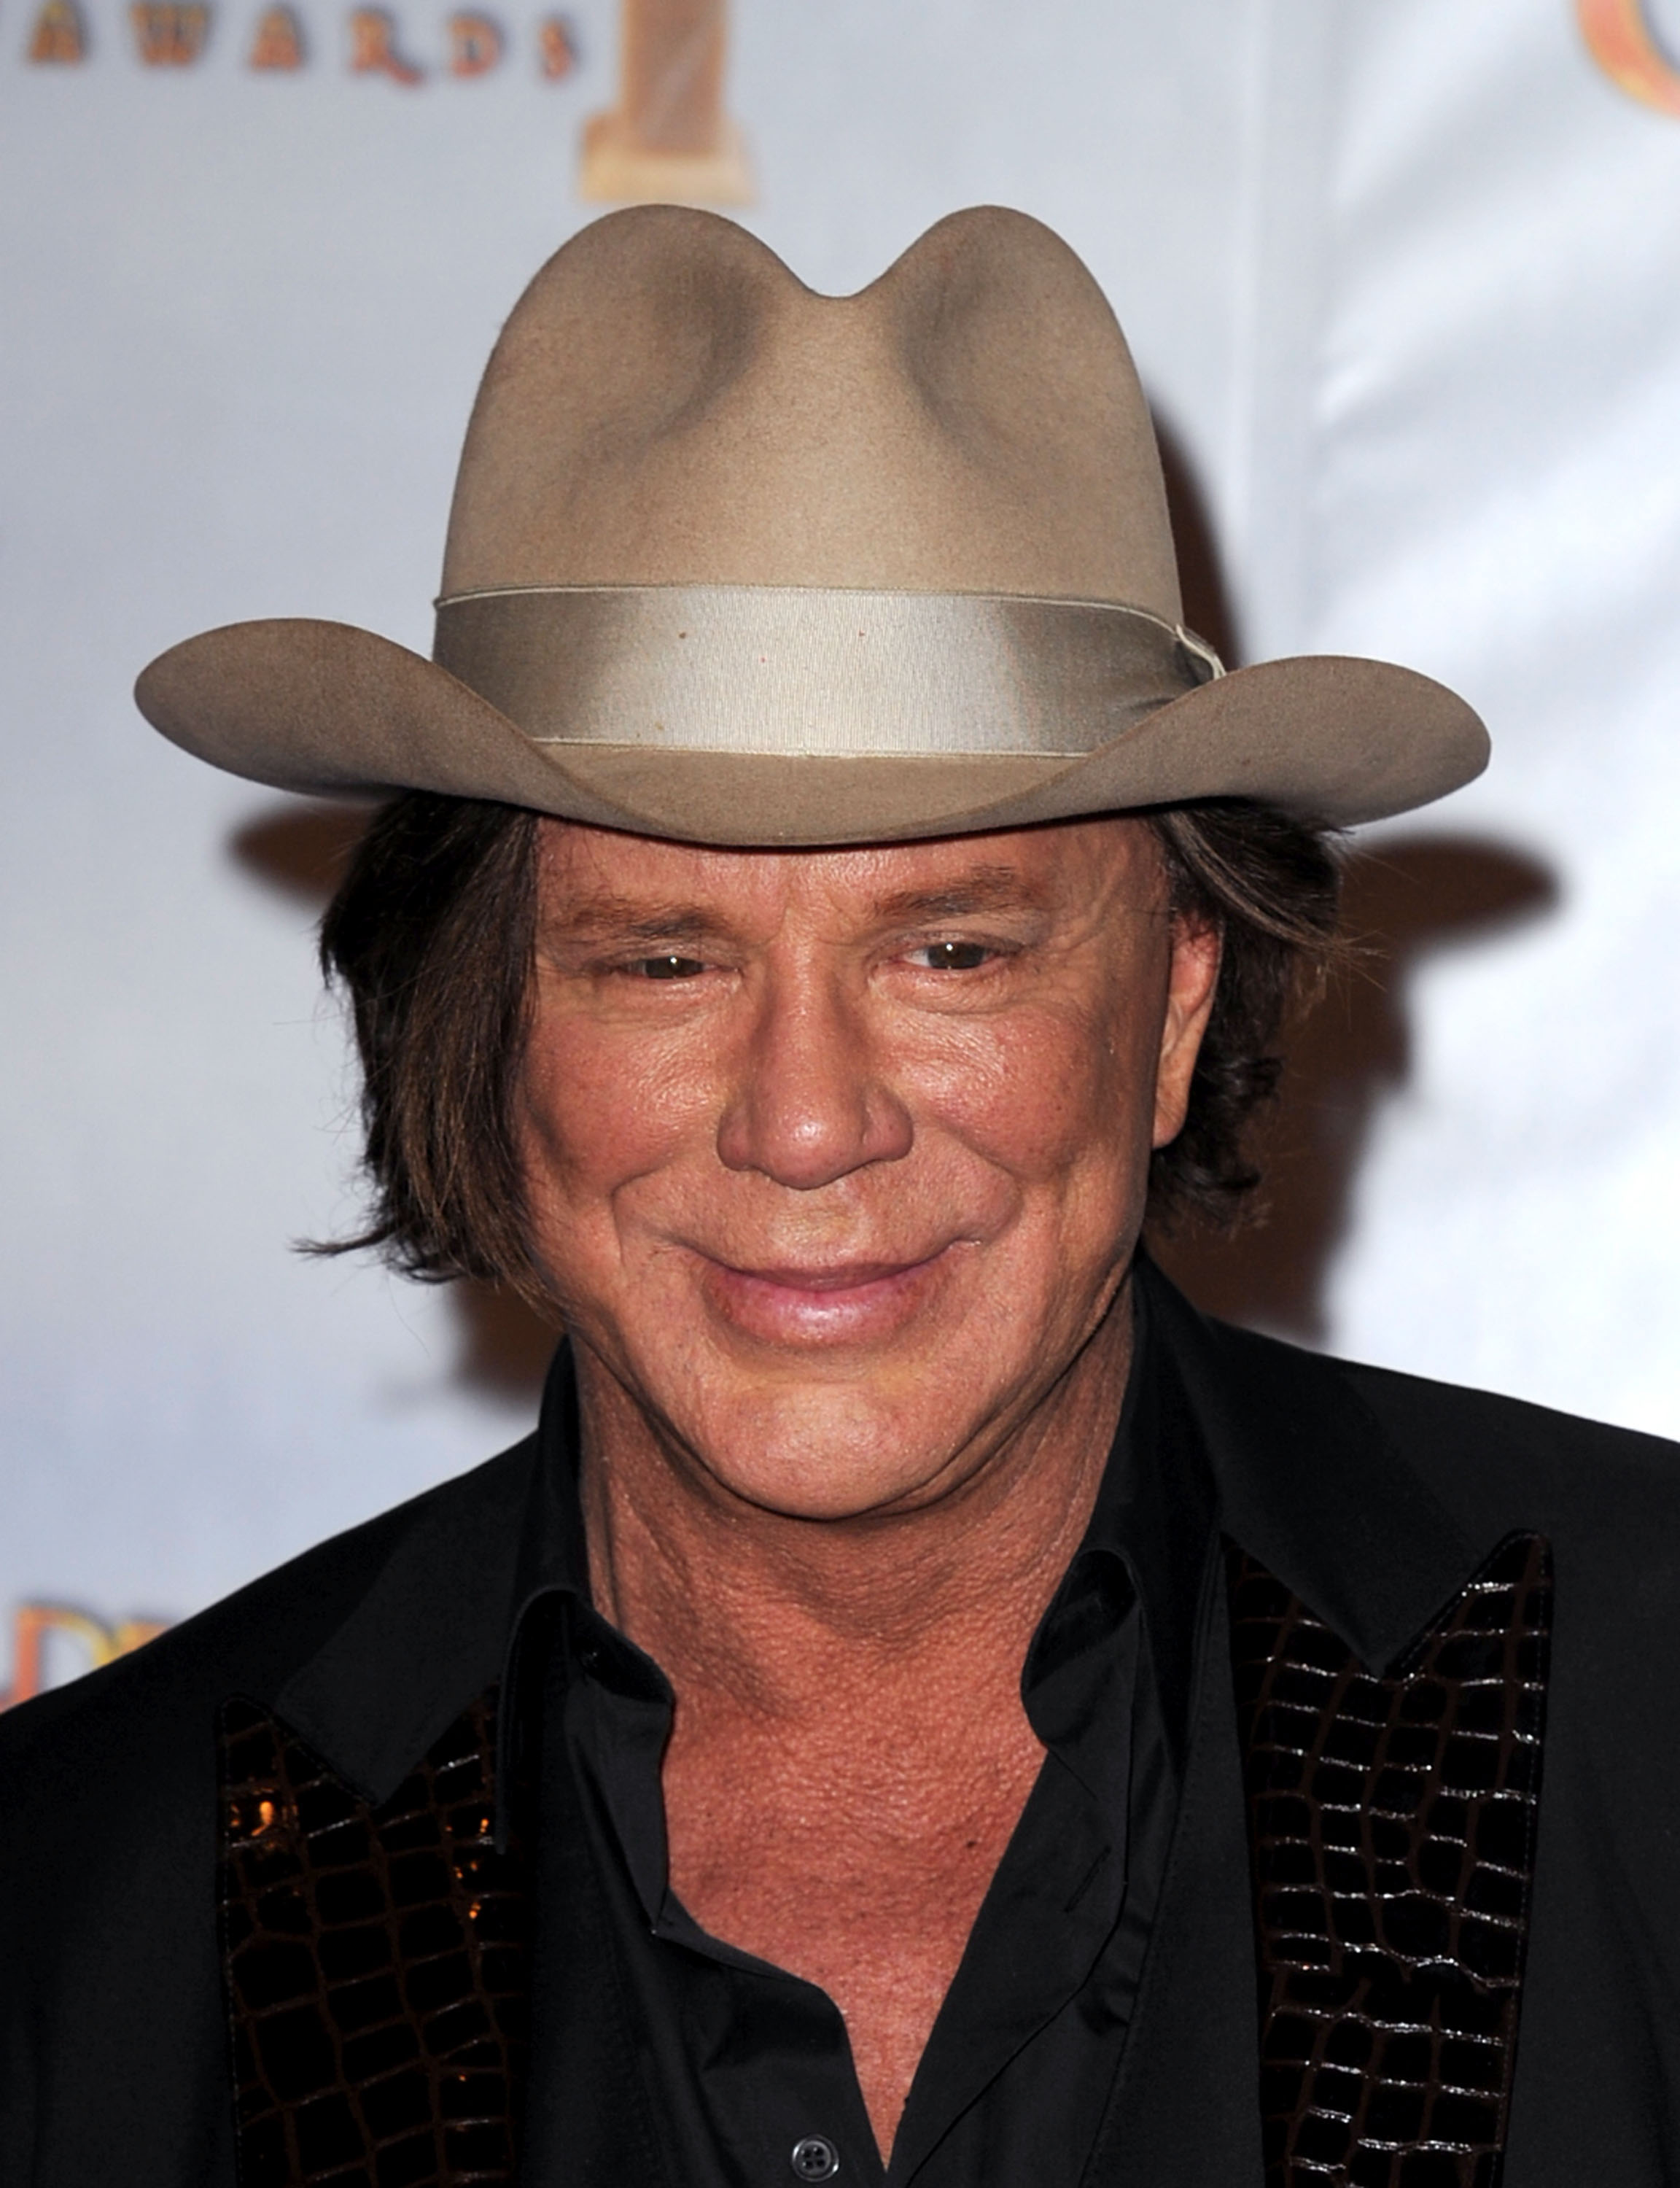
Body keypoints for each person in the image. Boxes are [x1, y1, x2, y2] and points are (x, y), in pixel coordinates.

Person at [2, 205, 1676, 2188]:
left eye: (952, 952)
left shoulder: (1645, 1724)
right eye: (662, 960)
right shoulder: (78, 1907)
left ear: (1174, 1003)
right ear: (476, 1031)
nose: (807, 1125)